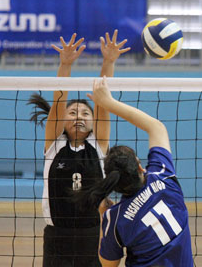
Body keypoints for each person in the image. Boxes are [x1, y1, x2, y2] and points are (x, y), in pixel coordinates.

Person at [28, 31, 130, 267]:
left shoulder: (97, 145)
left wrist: (109, 62)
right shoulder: (54, 145)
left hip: (93, 233)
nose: (79, 117)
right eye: (72, 112)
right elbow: (59, 100)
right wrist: (65, 64)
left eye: (85, 113)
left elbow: (103, 103)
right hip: (57, 236)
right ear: (62, 120)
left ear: (93, 122)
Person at [72, 77, 193, 267]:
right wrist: (108, 103)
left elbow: (108, 264)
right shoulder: (163, 177)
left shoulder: (116, 218)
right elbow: (157, 127)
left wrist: (104, 214)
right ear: (139, 167)